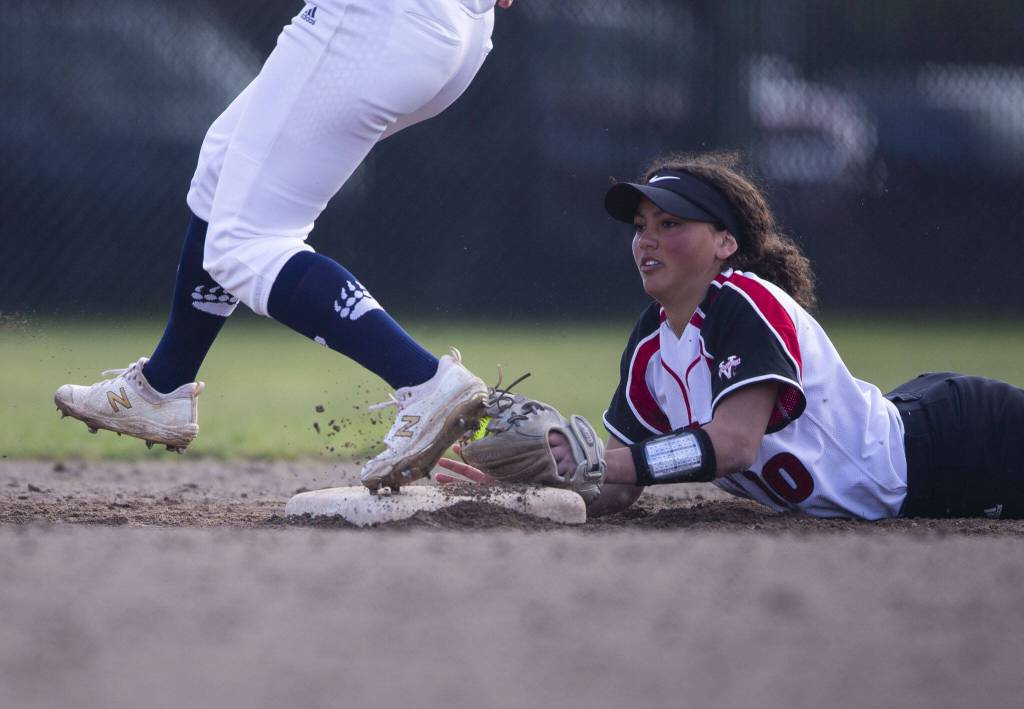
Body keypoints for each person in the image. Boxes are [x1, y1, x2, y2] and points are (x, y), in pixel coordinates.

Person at [53, 0, 516, 493]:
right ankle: (164, 386)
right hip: (451, 29)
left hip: (378, 21)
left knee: (246, 242)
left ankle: (426, 383)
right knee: (224, 161)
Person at [438, 151, 1024, 520]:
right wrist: (532, 481)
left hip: (960, 440)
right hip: (913, 483)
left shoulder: (743, 301)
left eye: (670, 224)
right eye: (641, 227)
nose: (647, 240)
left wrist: (594, 461)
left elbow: (734, 445)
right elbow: (618, 486)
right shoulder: (650, 347)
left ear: (725, 243)